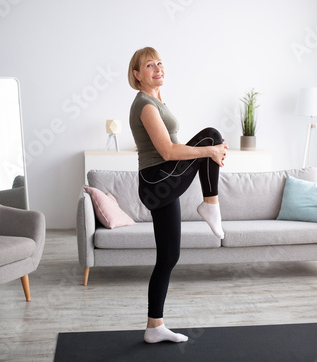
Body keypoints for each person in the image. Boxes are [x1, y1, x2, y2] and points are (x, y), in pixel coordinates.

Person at [128, 47, 228, 344]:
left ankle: (154, 326)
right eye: (149, 65)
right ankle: (211, 204)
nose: (157, 68)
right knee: (212, 137)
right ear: (137, 75)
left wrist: (205, 156)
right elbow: (168, 152)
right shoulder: (145, 105)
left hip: (163, 179)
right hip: (156, 180)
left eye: (159, 62)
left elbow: (175, 149)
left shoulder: (157, 100)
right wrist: (209, 151)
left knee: (169, 256)